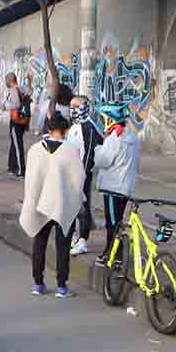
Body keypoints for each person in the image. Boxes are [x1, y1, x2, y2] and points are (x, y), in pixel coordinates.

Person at [20, 113, 85, 297]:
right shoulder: (70, 151)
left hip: (40, 202)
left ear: (48, 129)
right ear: (64, 131)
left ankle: (38, 283)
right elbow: (79, 178)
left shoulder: (34, 150)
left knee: (39, 242)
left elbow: (31, 179)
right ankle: (61, 286)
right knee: (62, 245)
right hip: (62, 204)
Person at [92, 104, 141, 265]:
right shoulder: (132, 137)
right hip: (125, 186)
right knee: (117, 220)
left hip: (113, 187)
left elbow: (102, 160)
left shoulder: (114, 139)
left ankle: (113, 254)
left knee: (112, 223)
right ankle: (115, 253)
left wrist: (98, 148)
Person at [65, 94, 103, 256]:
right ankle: (73, 237)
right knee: (71, 207)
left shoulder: (88, 127)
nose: (72, 109)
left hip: (81, 175)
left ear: (85, 107)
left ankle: (82, 240)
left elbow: (88, 155)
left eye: (76, 106)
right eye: (71, 106)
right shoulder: (74, 126)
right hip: (71, 174)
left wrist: (82, 174)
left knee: (83, 208)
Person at [2, 72, 30, 178]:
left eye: (6, 80)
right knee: (15, 143)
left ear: (10, 80)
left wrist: (5, 104)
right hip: (22, 120)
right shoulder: (22, 88)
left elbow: (16, 104)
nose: (5, 82)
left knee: (17, 145)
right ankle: (12, 167)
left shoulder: (14, 90)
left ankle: (20, 170)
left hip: (16, 120)